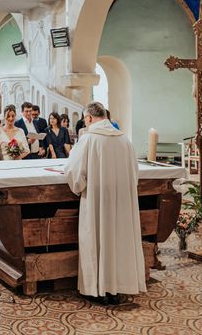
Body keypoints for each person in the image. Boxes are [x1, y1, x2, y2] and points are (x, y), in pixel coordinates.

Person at [64, 101, 146, 305]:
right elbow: (135, 175)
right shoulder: (125, 140)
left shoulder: (88, 139)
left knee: (96, 239)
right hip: (122, 204)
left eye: (86, 120)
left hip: (96, 202)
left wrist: (79, 187)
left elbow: (75, 174)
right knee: (118, 241)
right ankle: (118, 287)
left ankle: (97, 289)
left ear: (90, 118)